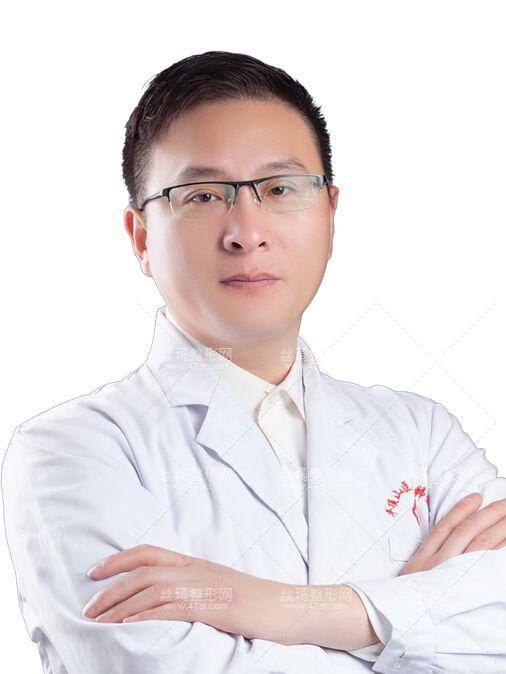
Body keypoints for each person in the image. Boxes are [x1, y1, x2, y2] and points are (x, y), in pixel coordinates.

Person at [2, 50, 506, 674]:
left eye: (280, 188)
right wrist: (409, 626)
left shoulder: (422, 434)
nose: (246, 231)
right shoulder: (71, 452)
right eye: (202, 194)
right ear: (142, 237)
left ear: (330, 213)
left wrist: (275, 606)